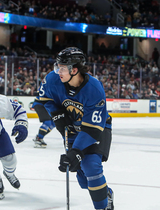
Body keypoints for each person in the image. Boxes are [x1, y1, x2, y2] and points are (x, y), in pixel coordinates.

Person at [36, 47, 113, 210]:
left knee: (91, 165)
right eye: (57, 66)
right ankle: (106, 192)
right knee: (84, 180)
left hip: (97, 128)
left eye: (62, 68)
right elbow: (41, 102)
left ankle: (103, 207)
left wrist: (76, 151)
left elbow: (92, 129)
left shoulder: (94, 88)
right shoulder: (52, 79)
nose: (58, 71)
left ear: (75, 70)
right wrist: (57, 115)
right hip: (71, 128)